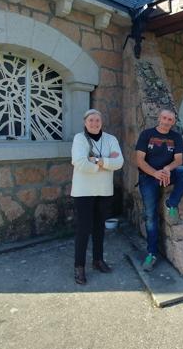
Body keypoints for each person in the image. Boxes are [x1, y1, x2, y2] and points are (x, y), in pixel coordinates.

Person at [71, 109, 124, 285]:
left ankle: (98, 260)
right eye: (91, 120)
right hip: (83, 191)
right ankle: (79, 267)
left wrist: (97, 160)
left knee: (99, 228)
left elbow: (119, 162)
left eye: (97, 120)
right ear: (85, 122)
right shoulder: (79, 138)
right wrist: (106, 161)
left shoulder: (111, 139)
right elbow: (79, 162)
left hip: (103, 190)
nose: (94, 123)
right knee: (83, 229)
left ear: (102, 122)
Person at [136, 109, 183, 272]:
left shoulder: (175, 137)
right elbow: (139, 160)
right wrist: (155, 173)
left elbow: (179, 160)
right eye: (164, 118)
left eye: (170, 119)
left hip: (167, 174)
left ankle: (171, 203)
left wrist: (167, 169)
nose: (167, 121)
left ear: (173, 122)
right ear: (159, 118)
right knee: (150, 216)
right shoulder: (146, 134)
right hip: (148, 177)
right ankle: (152, 253)